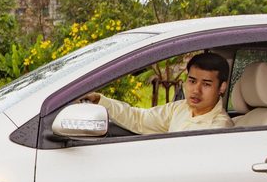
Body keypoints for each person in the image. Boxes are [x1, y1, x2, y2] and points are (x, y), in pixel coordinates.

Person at [81, 51, 235, 134]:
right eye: (192, 81)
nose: (196, 90)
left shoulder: (219, 127)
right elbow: (139, 119)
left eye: (206, 84)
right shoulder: (180, 108)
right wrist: (99, 100)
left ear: (221, 87)